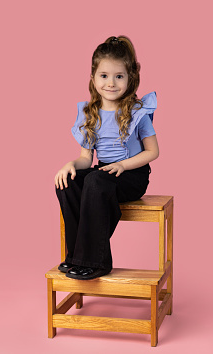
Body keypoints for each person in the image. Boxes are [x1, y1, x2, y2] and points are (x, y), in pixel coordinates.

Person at [54, 35, 159, 280]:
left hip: (131, 175)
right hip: (103, 175)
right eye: (104, 76)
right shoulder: (90, 113)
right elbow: (85, 159)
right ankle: (76, 256)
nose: (111, 83)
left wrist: (122, 164)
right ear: (93, 78)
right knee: (69, 183)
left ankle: (96, 261)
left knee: (95, 182)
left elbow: (153, 152)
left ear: (130, 78)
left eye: (118, 76)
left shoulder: (137, 112)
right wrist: (70, 165)